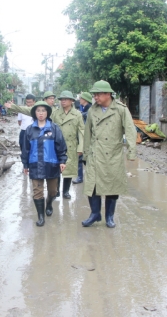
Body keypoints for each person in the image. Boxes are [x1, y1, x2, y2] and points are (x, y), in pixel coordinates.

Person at [82, 80, 137, 228]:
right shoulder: (92, 110)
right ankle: (95, 213)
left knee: (112, 186)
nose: (95, 97)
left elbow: (131, 130)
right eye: (94, 95)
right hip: (95, 152)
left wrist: (131, 152)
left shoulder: (121, 109)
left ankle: (109, 217)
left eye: (98, 94)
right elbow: (87, 133)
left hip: (113, 154)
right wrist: (85, 154)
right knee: (92, 185)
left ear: (108, 94)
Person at [21, 101, 67, 227]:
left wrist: (62, 161)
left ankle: (49, 203)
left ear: (47, 113)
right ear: (34, 113)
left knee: (53, 191)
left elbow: (61, 146)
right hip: (35, 164)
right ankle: (41, 217)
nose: (41, 113)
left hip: (51, 164)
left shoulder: (54, 128)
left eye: (43, 110)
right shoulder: (30, 129)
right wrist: (25, 164)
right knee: (37, 191)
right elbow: (25, 148)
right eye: (38, 111)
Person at [51, 91, 84, 199]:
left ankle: (66, 191)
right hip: (57, 145)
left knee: (69, 170)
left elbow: (81, 131)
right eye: (61, 99)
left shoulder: (77, 114)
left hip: (71, 145)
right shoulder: (55, 113)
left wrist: (81, 147)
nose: (63, 101)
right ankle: (57, 191)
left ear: (72, 101)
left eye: (65, 99)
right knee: (57, 169)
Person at [73, 92, 93, 184]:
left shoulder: (90, 109)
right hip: (82, 136)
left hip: (88, 137)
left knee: (85, 158)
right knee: (80, 157)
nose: (79, 99)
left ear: (85, 99)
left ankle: (84, 177)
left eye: (81, 98)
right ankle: (82, 177)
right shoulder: (83, 108)